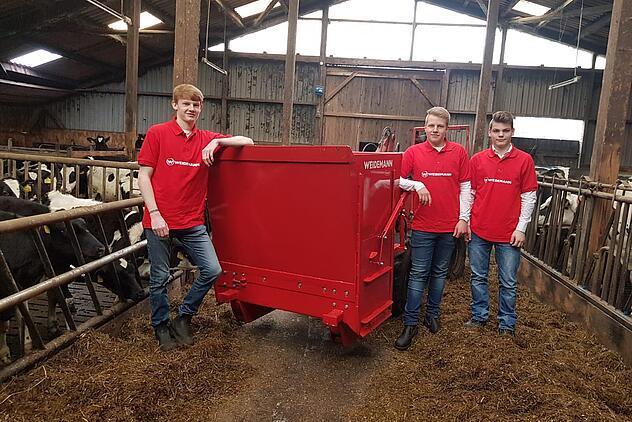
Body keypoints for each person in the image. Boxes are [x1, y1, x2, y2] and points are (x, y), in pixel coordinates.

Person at [138, 83, 253, 351]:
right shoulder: (158, 133)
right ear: (175, 105)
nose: (191, 109)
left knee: (212, 269)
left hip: (192, 223)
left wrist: (218, 141)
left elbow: (247, 142)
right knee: (159, 278)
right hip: (160, 222)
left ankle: (184, 317)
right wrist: (155, 214)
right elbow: (144, 175)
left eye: (196, 105)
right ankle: (161, 326)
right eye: (186, 103)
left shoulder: (205, 138)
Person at [394, 106, 471, 351]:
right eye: (431, 126)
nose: (435, 130)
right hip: (424, 226)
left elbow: (467, 188)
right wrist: (417, 185)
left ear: (447, 129)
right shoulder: (413, 152)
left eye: (440, 126)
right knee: (418, 274)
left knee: (439, 274)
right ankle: (410, 323)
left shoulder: (459, 152)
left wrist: (463, 219)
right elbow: (397, 179)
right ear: (424, 127)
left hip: (449, 226)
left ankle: (432, 315)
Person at [465, 111, 537, 337]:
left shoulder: (524, 160)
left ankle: (506, 323)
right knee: (478, 276)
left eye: (505, 131)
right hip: (479, 230)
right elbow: (470, 193)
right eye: (496, 130)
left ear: (512, 132)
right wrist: (466, 220)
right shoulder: (477, 160)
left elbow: (529, 196)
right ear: (490, 132)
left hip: (509, 233)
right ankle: (479, 316)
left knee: (508, 281)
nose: (501, 135)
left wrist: (521, 228)